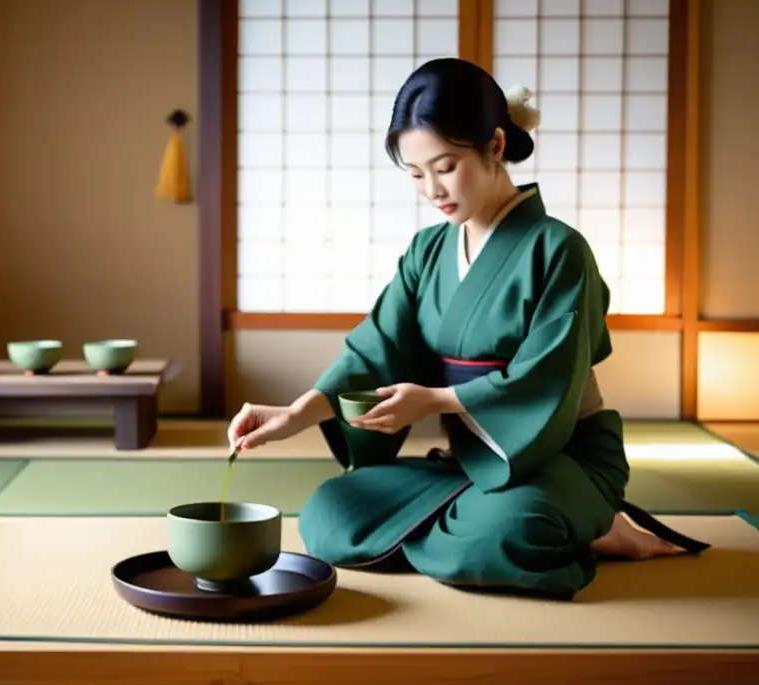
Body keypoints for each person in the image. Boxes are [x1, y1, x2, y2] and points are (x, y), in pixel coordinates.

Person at [226, 58, 708, 601]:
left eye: (446, 166)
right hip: (467, 466)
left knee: (511, 526)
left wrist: (432, 400)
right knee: (330, 513)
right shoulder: (427, 252)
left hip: (556, 458)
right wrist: (296, 414)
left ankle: (593, 519)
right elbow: (374, 352)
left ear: (496, 146)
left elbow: (545, 380)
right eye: (415, 174)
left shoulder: (559, 250)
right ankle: (484, 524)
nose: (433, 188)